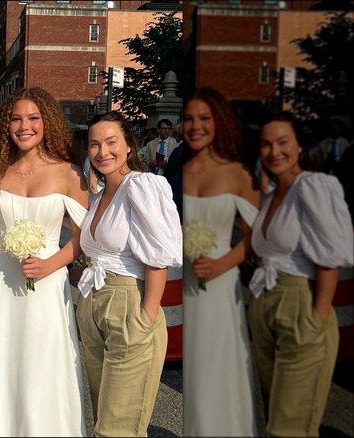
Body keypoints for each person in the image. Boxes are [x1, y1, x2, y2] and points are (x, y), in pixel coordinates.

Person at [0, 87, 89, 436]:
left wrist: (51, 265)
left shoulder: (70, 173)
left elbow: (84, 237)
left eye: (33, 118)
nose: (24, 126)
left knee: (44, 364)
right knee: (3, 362)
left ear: (47, 123)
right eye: (15, 119)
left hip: (47, 282)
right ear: (5, 125)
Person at [76, 111, 181, 437]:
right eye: (94, 144)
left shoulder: (142, 185)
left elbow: (158, 258)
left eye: (111, 142)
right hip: (93, 307)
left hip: (129, 307)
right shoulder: (100, 195)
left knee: (116, 428)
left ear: (129, 146)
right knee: (102, 419)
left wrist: (145, 318)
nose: (102, 151)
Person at [248, 111, 353, 437]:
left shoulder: (314, 185)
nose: (273, 151)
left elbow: (330, 260)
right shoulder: (273, 194)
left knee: (288, 428)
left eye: (283, 142)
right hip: (264, 307)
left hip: (300, 306)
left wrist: (316, 318)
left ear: (301, 147)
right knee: (273, 421)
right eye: (266, 144)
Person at [181, 87, 260, 436]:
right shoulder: (173, 170)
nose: (195, 126)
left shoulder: (238, 174)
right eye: (188, 119)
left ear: (218, 122)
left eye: (204, 118)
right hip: (183, 282)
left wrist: (223, 264)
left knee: (221, 369)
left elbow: (257, 235)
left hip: (221, 282)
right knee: (194, 375)